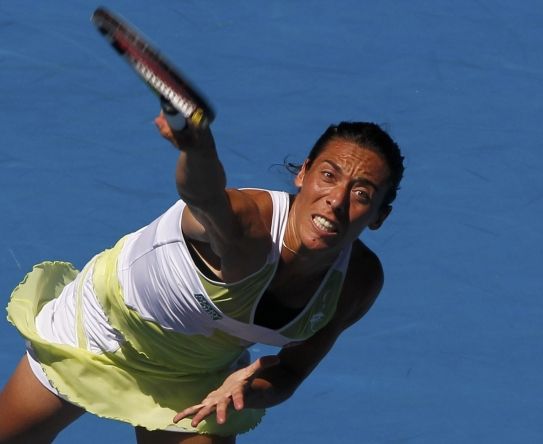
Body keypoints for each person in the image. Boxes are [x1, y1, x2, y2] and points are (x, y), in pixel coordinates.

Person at [0, 112, 404, 444]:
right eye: (329, 176)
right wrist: (198, 149)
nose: (336, 200)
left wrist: (247, 390)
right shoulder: (250, 226)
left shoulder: (356, 283)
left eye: (363, 194)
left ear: (380, 217)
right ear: (304, 173)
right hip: (99, 331)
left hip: (196, 379)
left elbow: (290, 373)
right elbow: (204, 196)